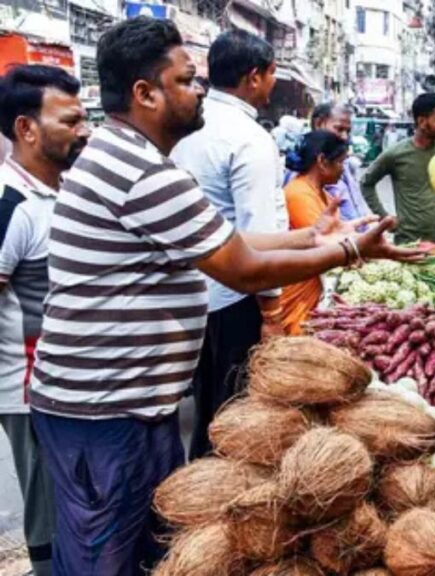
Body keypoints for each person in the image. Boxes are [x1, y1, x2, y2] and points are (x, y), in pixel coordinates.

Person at [28, 18, 419, 575]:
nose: (200, 90)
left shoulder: (127, 157)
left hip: (123, 406)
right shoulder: (140, 172)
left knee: (136, 549)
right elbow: (241, 268)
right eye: (187, 80)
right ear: (145, 93)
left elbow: (225, 241)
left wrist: (312, 237)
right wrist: (351, 251)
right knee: (102, 561)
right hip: (105, 411)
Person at [170, 29, 288, 459]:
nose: (273, 83)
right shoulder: (249, 138)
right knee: (234, 411)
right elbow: (258, 229)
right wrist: (271, 312)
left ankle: (198, 480)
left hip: (189, 291)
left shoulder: (186, 125)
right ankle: (215, 488)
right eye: (272, 73)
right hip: (234, 297)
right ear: (254, 77)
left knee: (207, 404)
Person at [0, 63, 90, 576]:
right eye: (70, 121)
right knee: (48, 515)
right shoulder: (11, 204)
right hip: (29, 388)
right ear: (26, 129)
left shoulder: (62, 190)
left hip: (67, 383)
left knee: (72, 506)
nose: (84, 131)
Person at [280, 130, 362, 334]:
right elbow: (323, 242)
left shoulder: (323, 194)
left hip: (315, 284)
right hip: (297, 287)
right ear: (322, 161)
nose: (343, 169)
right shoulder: (298, 193)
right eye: (341, 162)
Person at [362, 92, 435, 244]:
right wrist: (384, 218)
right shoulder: (396, 154)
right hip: (410, 244)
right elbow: (366, 183)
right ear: (422, 121)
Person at [310, 102, 373, 223]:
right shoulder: (306, 169)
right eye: (339, 129)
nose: (344, 137)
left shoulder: (343, 164)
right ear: (318, 124)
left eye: (348, 131)